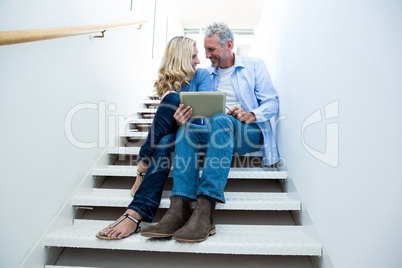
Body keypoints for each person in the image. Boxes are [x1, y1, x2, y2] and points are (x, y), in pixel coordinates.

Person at [141, 22, 279, 242]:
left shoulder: (254, 65)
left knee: (221, 120)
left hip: (248, 132)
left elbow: (272, 102)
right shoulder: (205, 75)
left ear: (229, 45)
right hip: (216, 132)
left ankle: (205, 211)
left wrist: (251, 113)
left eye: (211, 50)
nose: (206, 56)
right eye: (204, 50)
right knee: (187, 130)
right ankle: (180, 208)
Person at [96, 36, 212, 240]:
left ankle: (142, 167)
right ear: (181, 58)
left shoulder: (202, 76)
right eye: (194, 56)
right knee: (166, 139)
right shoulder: (164, 83)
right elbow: (165, 125)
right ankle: (135, 214)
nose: (198, 61)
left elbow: (205, 117)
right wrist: (175, 120)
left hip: (194, 133)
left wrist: (181, 120)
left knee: (171, 100)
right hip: (171, 137)